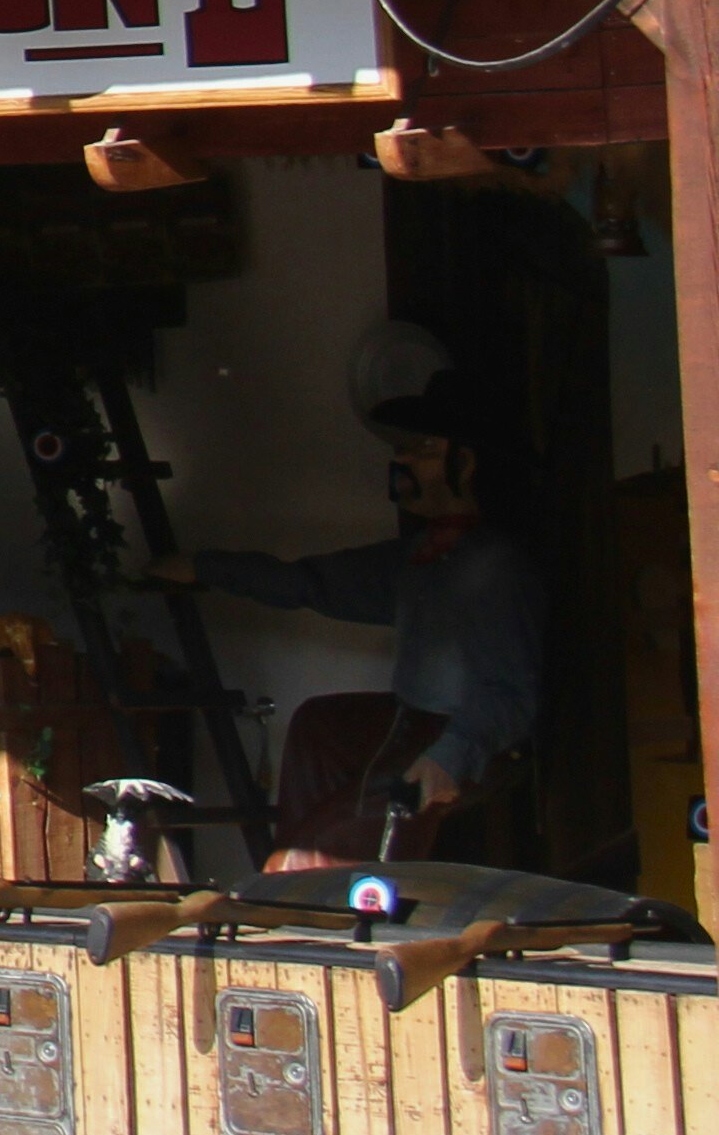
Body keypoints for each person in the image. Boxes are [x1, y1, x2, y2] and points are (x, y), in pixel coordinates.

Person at [150, 325, 541, 873]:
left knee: (315, 858)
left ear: (468, 464)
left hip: (462, 739)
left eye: (426, 449)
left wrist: (450, 757)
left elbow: (512, 694)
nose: (406, 462)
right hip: (408, 724)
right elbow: (311, 582)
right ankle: (302, 864)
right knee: (321, 725)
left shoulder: (494, 567)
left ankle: (310, 877)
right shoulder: (417, 559)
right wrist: (205, 568)